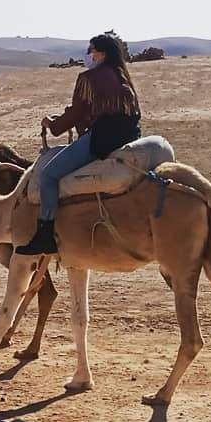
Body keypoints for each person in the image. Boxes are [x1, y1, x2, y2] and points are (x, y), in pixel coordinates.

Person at [16, 32, 142, 255]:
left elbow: (77, 113)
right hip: (127, 137)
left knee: (48, 175)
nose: (88, 55)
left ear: (101, 53)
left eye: (90, 50)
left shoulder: (89, 78)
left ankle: (45, 235)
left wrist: (53, 125)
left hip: (101, 140)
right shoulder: (123, 76)